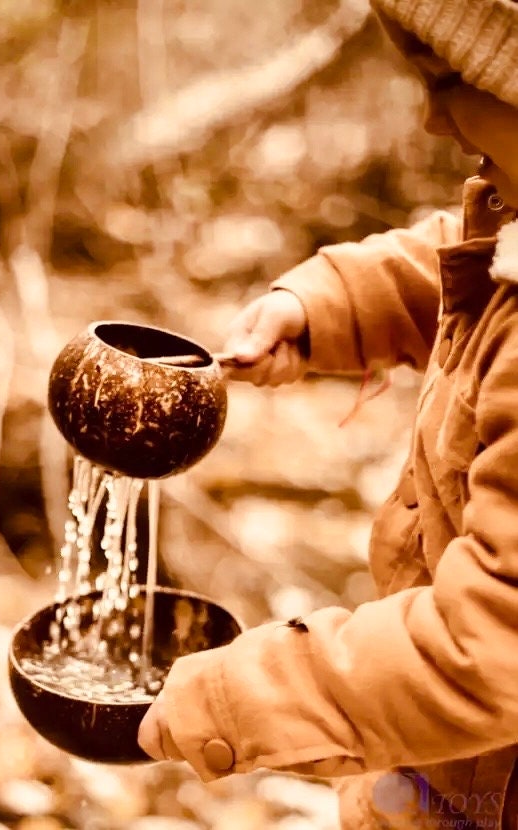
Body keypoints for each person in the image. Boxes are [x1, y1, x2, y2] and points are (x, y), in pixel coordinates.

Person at [137, 1, 518, 828]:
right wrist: (331, 305)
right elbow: (479, 263)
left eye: (450, 79)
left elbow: (493, 646)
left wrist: (241, 696)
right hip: (450, 773)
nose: (432, 118)